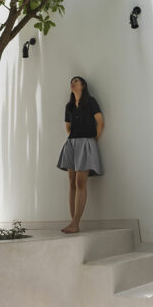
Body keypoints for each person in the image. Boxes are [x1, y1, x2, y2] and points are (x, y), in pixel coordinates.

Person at [57, 75, 104, 234]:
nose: (72, 83)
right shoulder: (69, 106)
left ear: (83, 85)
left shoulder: (90, 101)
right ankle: (73, 222)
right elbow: (68, 128)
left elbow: (100, 122)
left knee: (80, 182)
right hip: (71, 144)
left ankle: (75, 223)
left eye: (76, 81)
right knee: (71, 182)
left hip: (86, 142)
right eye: (71, 82)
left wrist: (92, 141)